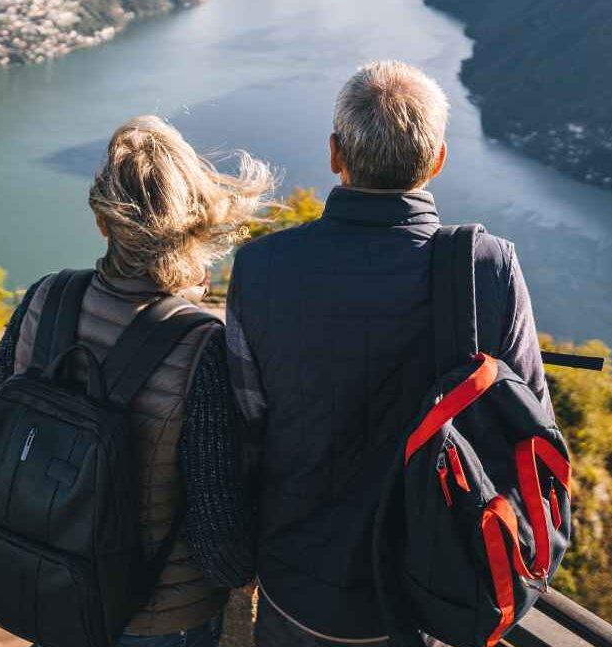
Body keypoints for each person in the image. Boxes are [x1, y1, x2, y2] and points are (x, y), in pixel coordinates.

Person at [226, 61, 548, 647]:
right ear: (437, 161)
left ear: (334, 154)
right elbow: (529, 426)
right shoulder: (487, 268)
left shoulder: (261, 268)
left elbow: (248, 424)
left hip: (296, 585)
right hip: (432, 595)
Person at [0, 115, 268, 647]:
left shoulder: (46, 297)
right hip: (159, 614)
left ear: (102, 223)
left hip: (54, 584)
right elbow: (214, 518)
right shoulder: (202, 345)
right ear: (194, 222)